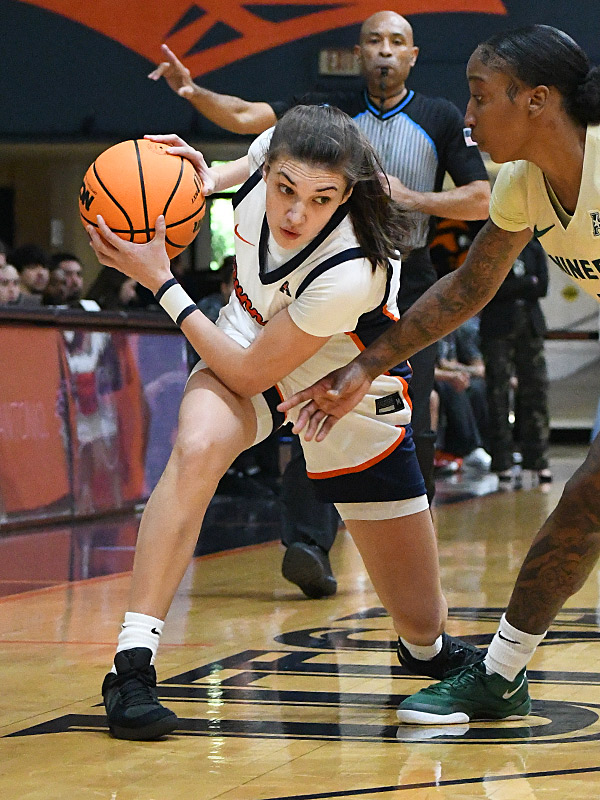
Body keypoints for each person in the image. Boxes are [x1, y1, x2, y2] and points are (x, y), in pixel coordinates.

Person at [86, 105, 484, 740]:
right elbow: (241, 163)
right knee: (196, 449)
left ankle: (425, 651)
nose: (296, 214)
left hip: (344, 387)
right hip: (248, 336)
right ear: (270, 169)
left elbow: (245, 374)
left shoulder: (354, 267)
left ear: (347, 194)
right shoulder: (276, 147)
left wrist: (161, 281)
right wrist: (195, 179)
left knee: (422, 625)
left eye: (322, 199)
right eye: (284, 190)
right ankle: (132, 665)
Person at [279, 25, 600, 725]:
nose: (469, 116)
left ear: (538, 100)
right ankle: (500, 676)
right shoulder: (522, 183)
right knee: (585, 504)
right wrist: (366, 365)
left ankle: (498, 675)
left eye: (482, 98)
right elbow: (464, 290)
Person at [148, 10, 490, 591]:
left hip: (402, 280)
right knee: (302, 407)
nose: (384, 51)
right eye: (373, 41)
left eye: (397, 42)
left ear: (412, 55)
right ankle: (307, 544)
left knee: (401, 418)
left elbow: (482, 198)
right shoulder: (322, 117)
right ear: (357, 53)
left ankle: (406, 539)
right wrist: (192, 91)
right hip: (308, 279)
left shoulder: (438, 116)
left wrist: (411, 197)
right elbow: (252, 122)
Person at [479, 238, 552, 483]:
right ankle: (502, 461)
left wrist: (516, 286)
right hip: (498, 327)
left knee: (536, 391)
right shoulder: (491, 244)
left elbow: (542, 286)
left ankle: (538, 460)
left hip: (530, 325)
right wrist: (524, 284)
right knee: (498, 394)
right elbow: (489, 287)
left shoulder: (534, 247)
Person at [434, 320, 491, 471]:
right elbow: (427, 369)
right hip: (426, 379)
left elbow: (448, 362)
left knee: (477, 388)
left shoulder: (450, 330)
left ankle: (484, 445)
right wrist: (452, 376)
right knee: (452, 387)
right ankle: (469, 448)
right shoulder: (430, 327)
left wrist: (459, 373)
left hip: (442, 374)